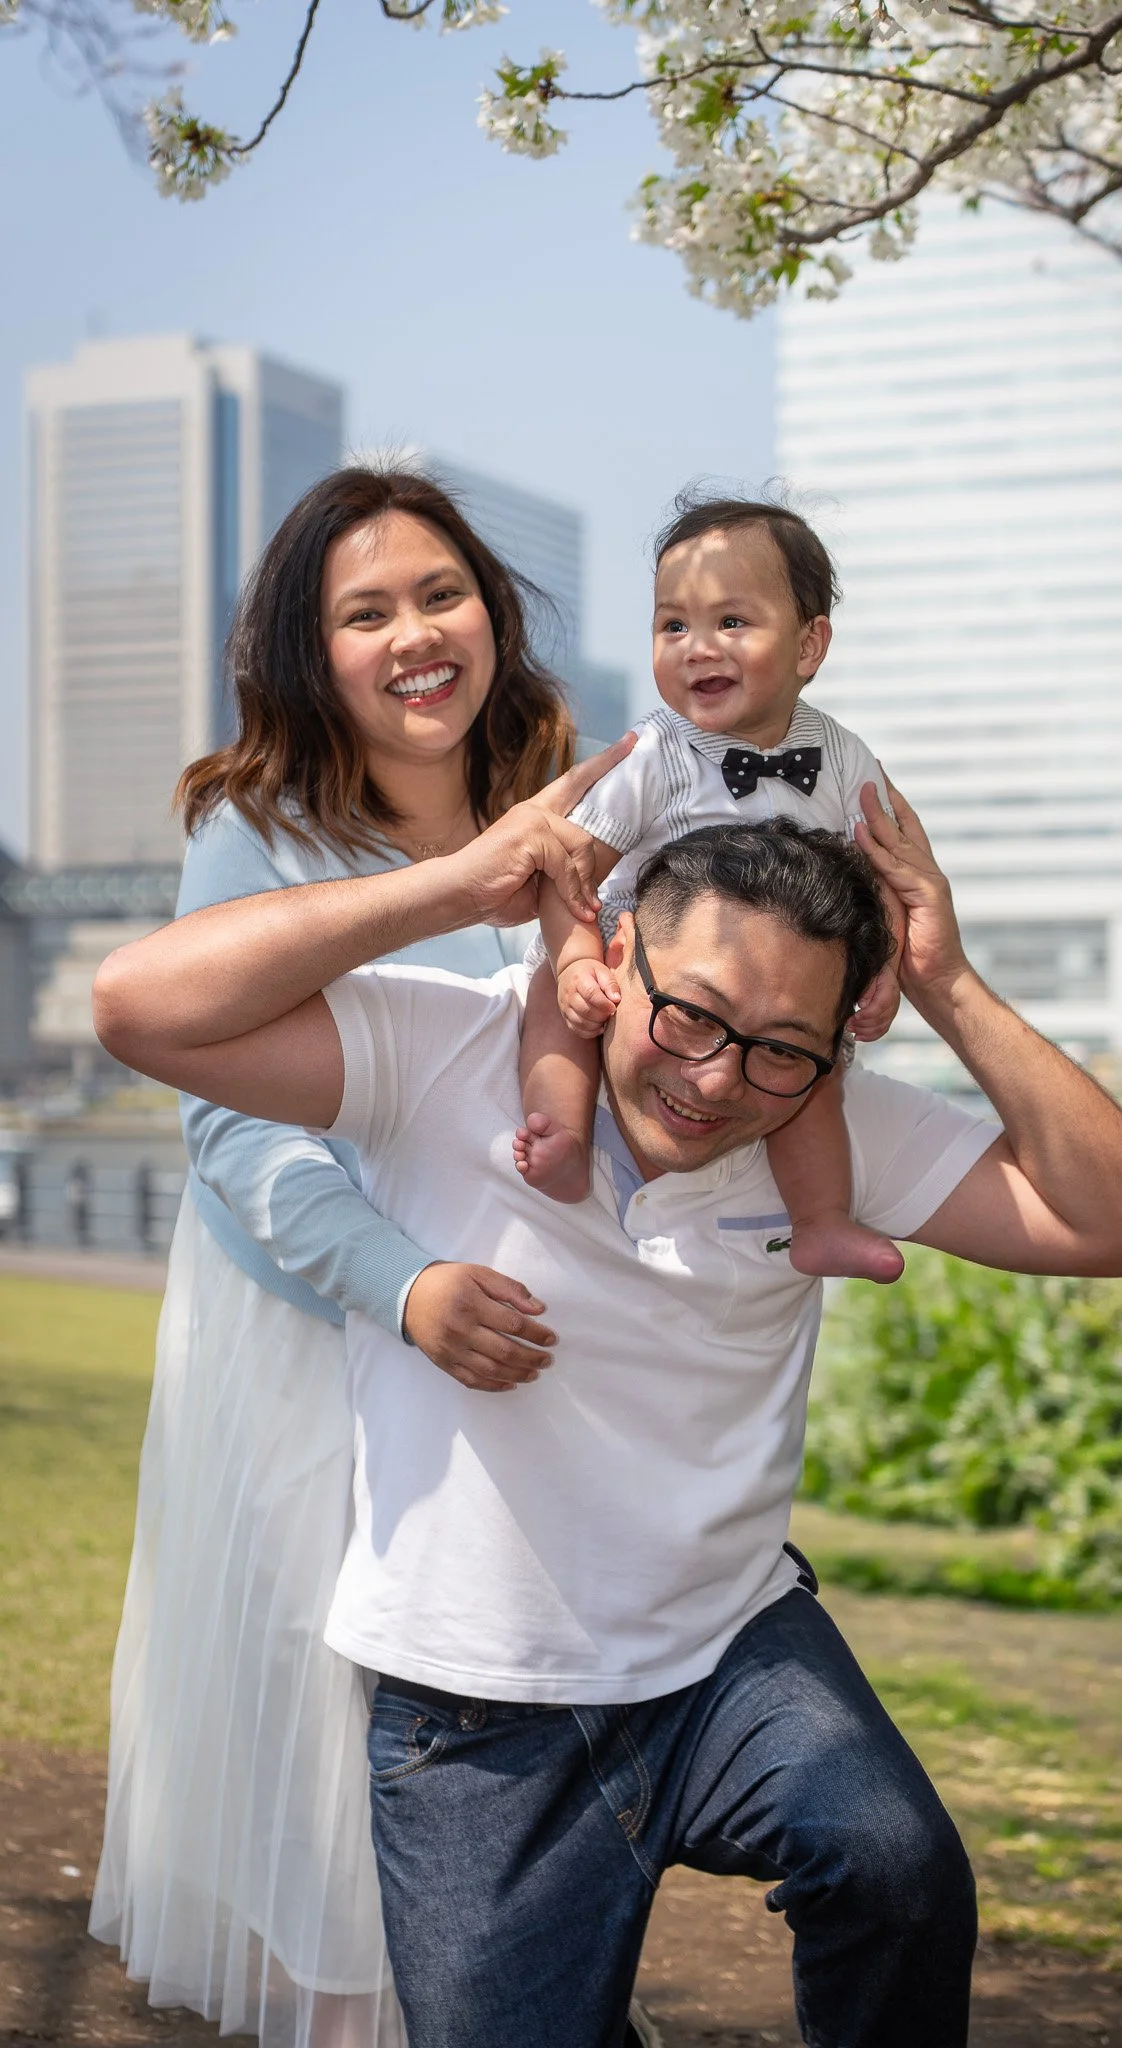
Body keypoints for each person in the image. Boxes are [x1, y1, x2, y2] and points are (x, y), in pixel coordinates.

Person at [92, 783, 1122, 2048]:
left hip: (730, 1652)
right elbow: (138, 1005)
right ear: (614, 955)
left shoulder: (828, 1134)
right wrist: (456, 884)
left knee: (898, 1865)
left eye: (782, 1046)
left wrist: (947, 981)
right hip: (474, 1710)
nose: (717, 1079)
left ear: (835, 1050)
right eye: (692, 1014)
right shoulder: (451, 1048)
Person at [88, 464, 626, 2048]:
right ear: (306, 652)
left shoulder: (574, 800)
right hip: (321, 1346)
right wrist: (401, 1285)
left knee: (497, 1759)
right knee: (333, 1779)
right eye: (365, 612)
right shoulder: (257, 832)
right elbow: (231, 1130)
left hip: (515, 1353)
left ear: (493, 610)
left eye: (440, 594)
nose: (415, 636)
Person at [516, 493, 909, 1286]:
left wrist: (888, 968)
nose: (698, 648)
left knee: (813, 1075)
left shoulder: (842, 756)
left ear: (809, 644)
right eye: (673, 626)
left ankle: (820, 1219)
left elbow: (896, 872)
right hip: (635, 962)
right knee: (553, 1016)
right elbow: (566, 868)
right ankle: (557, 1135)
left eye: (731, 622)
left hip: (770, 993)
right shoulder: (657, 752)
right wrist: (573, 962)